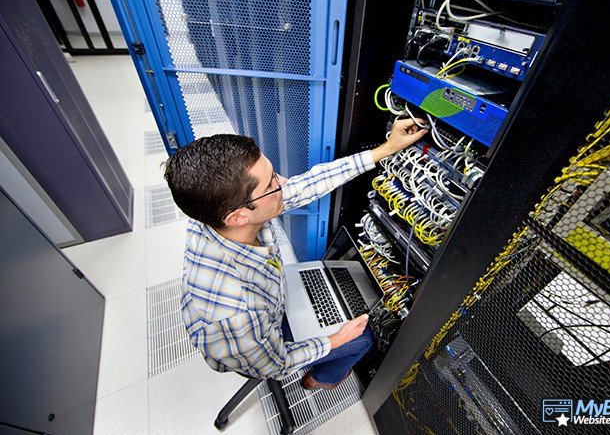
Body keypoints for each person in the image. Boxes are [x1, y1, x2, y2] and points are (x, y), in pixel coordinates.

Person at [164, 118, 427, 389]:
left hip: (268, 305)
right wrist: (335, 340)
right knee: (363, 339)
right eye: (271, 184)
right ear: (238, 217)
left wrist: (384, 150)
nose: (284, 182)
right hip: (258, 346)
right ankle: (320, 379)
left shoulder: (212, 213)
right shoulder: (235, 313)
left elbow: (305, 186)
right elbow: (276, 364)